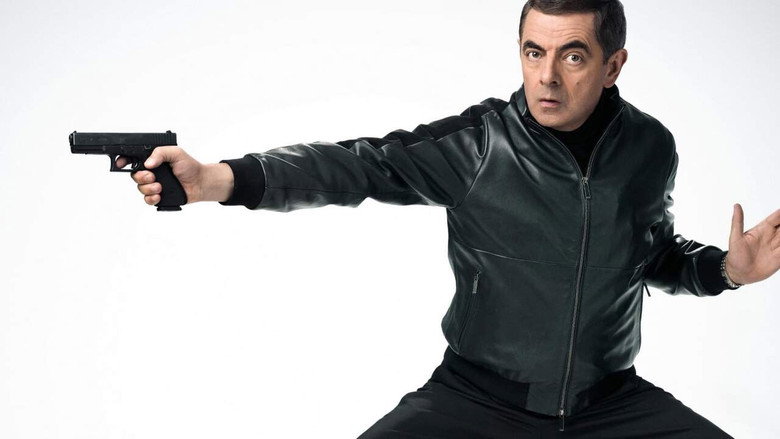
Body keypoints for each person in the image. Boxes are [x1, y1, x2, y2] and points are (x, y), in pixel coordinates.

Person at [117, 1, 780, 437]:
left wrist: (727, 269)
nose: (547, 77)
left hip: (611, 405)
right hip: (476, 401)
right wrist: (217, 180)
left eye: (572, 55)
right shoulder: (479, 145)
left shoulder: (650, 147)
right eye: (533, 52)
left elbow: (653, 256)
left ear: (613, 65)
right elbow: (357, 166)